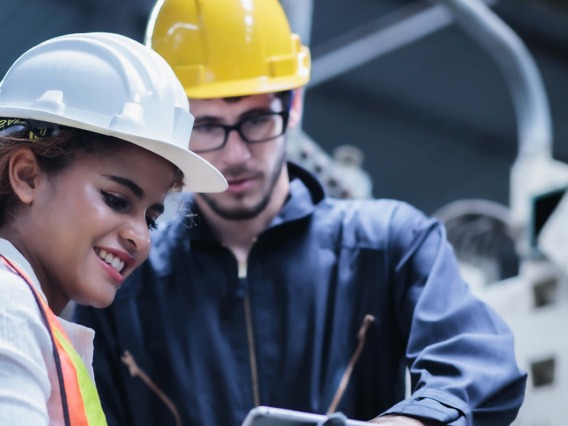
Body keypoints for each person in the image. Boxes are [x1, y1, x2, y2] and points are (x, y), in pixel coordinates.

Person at [74, 1, 527, 425]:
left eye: (255, 121)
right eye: (207, 126)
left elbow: (481, 367)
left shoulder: (390, 244)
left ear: (293, 106)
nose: (235, 155)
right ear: (171, 131)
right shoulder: (126, 285)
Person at [0, 31, 226, 426]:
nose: (140, 237)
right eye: (116, 200)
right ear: (27, 176)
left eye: (151, 218)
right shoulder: (8, 307)